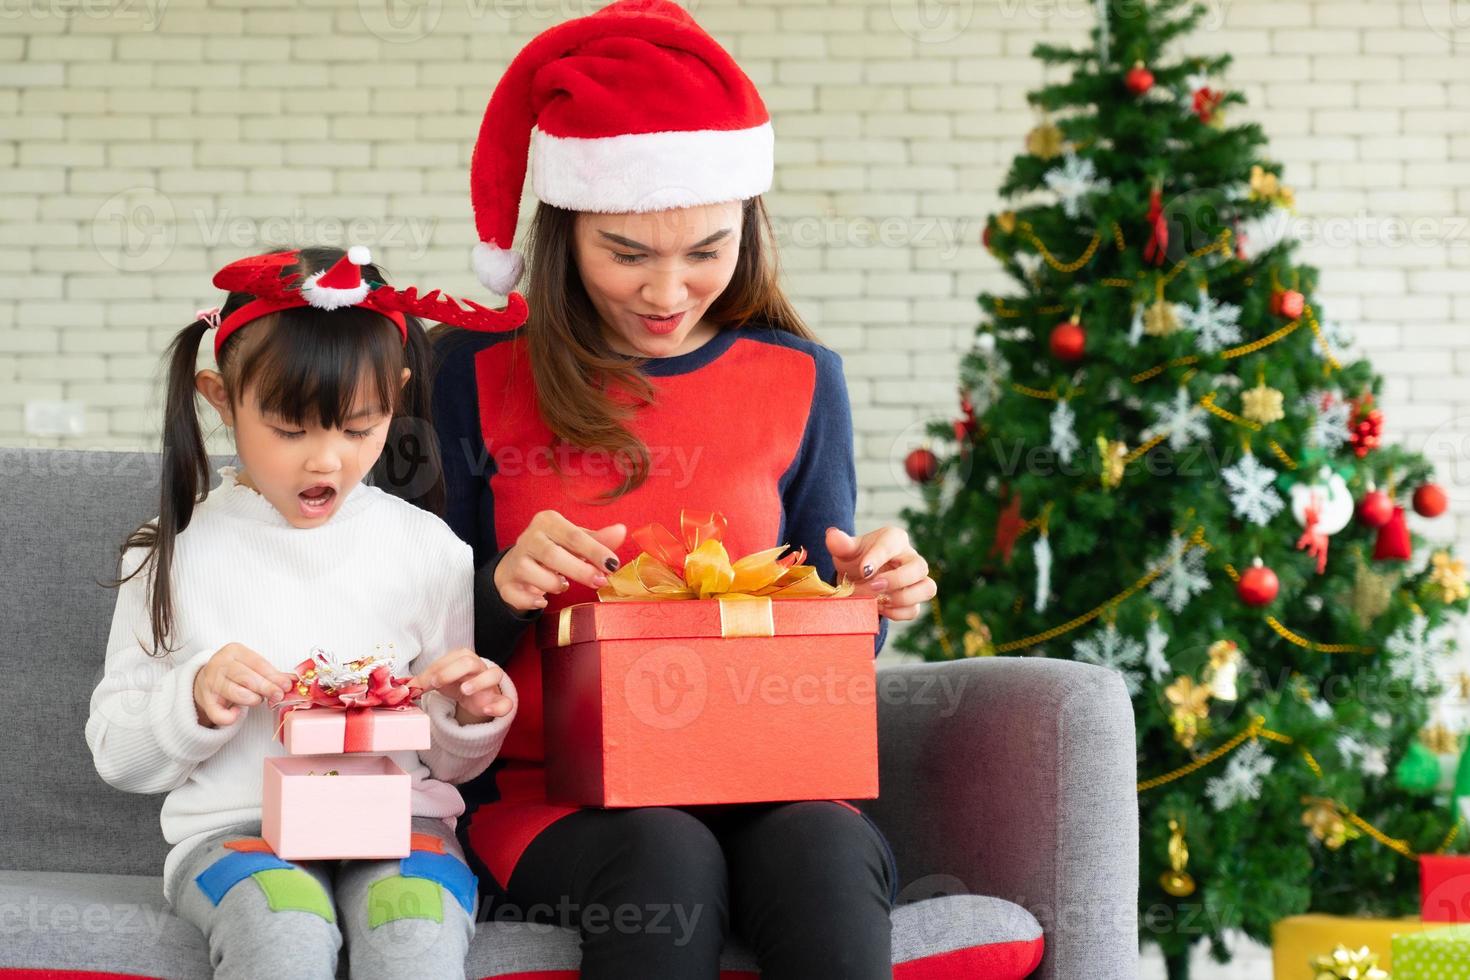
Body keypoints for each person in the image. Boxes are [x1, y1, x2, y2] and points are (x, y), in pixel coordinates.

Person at [431, 1, 938, 976]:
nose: (668, 291)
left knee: (825, 849)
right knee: (665, 851)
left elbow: (836, 638)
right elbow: (409, 627)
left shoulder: (801, 377)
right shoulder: (469, 373)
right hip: (548, 791)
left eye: (707, 250)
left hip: (772, 776)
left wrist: (871, 598)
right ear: (566, 233)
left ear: (747, 229)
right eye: (628, 253)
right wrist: (499, 583)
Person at [85, 246, 527, 980]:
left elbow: (447, 762)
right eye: (292, 430)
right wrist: (193, 697)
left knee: (411, 928)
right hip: (233, 833)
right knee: (286, 928)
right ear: (221, 399)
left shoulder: (428, 550)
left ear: (398, 397)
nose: (326, 461)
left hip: (400, 828)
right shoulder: (167, 554)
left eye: (358, 428)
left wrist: (472, 712)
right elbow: (116, 755)